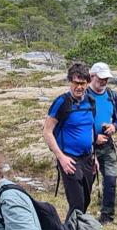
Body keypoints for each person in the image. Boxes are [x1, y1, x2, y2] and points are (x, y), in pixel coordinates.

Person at [42, 62, 100, 215]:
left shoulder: (91, 102)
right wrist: (61, 157)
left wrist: (95, 157)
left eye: (83, 83)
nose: (79, 87)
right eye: (76, 83)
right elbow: (47, 131)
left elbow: (90, 131)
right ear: (70, 82)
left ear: (87, 83)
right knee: (77, 204)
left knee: (86, 201)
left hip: (87, 158)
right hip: (69, 158)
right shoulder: (62, 102)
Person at [87, 62, 117, 224]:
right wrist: (94, 137)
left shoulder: (111, 95)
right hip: (87, 146)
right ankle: (80, 213)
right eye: (101, 78)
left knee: (110, 179)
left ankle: (107, 216)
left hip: (107, 144)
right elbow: (78, 124)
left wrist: (113, 127)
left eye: (106, 79)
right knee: (86, 181)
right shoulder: (84, 95)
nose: (104, 82)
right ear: (92, 76)